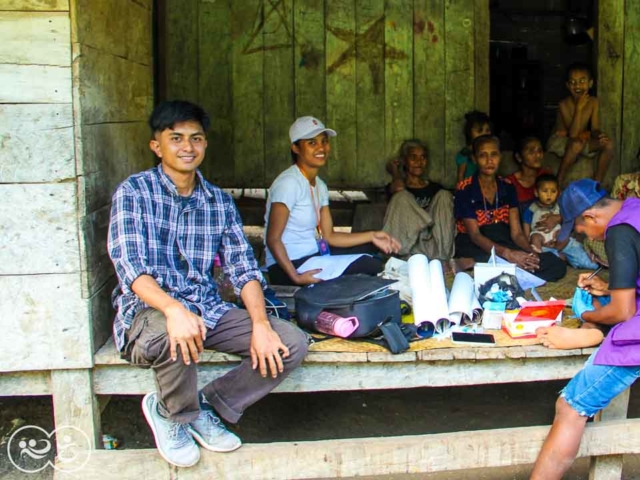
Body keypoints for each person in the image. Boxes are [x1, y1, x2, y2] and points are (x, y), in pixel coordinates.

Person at [107, 100, 309, 468]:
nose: (188, 147)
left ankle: (206, 406)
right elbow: (130, 267)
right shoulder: (134, 192)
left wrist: (262, 325)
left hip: (208, 311)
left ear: (205, 144)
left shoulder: (217, 201)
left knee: (291, 343)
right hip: (148, 314)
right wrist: (173, 309)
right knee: (175, 331)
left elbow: (244, 270)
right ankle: (174, 415)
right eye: (176, 138)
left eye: (196, 138)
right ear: (157, 146)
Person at [531, 179, 640, 479]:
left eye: (578, 228)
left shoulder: (618, 233)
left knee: (570, 406)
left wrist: (588, 313)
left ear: (591, 217)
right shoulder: (634, 209)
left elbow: (623, 311)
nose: (580, 233)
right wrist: (611, 286)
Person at [265, 116, 400, 286]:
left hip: (314, 256)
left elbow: (329, 236)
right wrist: (296, 277)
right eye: (312, 143)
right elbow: (273, 239)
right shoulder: (289, 183)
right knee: (369, 264)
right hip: (288, 266)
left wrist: (372, 236)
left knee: (372, 249)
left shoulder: (320, 185)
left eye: (324, 141)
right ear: (296, 148)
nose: (321, 147)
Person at [454, 135, 566, 282]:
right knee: (506, 258)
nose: (489, 161)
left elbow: (517, 233)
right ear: (475, 159)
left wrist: (530, 252)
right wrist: (508, 254)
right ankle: (486, 264)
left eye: (494, 154)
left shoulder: (507, 186)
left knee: (556, 265)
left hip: (502, 239)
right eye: (483, 155)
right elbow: (475, 235)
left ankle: (478, 265)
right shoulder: (465, 188)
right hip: (475, 243)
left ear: (500, 156)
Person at [382, 139, 455, 261]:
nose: (419, 162)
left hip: (434, 245)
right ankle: (401, 257)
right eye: (413, 157)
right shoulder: (396, 187)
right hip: (408, 245)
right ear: (405, 161)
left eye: (423, 157)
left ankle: (443, 258)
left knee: (445, 196)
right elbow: (399, 188)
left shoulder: (436, 189)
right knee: (401, 197)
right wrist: (395, 170)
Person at [547, 62, 614, 186]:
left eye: (582, 81)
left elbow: (594, 128)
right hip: (562, 140)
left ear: (590, 83)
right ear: (567, 85)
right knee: (577, 143)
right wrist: (578, 108)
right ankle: (559, 179)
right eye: (572, 82)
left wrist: (599, 135)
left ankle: (597, 184)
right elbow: (572, 135)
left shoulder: (593, 102)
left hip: (580, 138)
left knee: (608, 144)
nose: (577, 85)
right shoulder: (563, 105)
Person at [523, 173, 598, 269]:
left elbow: (571, 221)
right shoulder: (531, 209)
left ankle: (565, 257)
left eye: (553, 191)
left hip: (559, 238)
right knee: (535, 238)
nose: (549, 195)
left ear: (558, 192)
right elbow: (526, 229)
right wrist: (528, 242)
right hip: (542, 240)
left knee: (588, 263)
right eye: (545, 191)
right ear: (536, 192)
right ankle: (539, 258)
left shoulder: (561, 206)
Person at [455, 111, 492, 183]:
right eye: (479, 131)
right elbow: (460, 177)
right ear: (470, 132)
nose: (484, 134)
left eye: (487, 130)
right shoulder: (465, 154)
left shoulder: (491, 152)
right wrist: (461, 192)